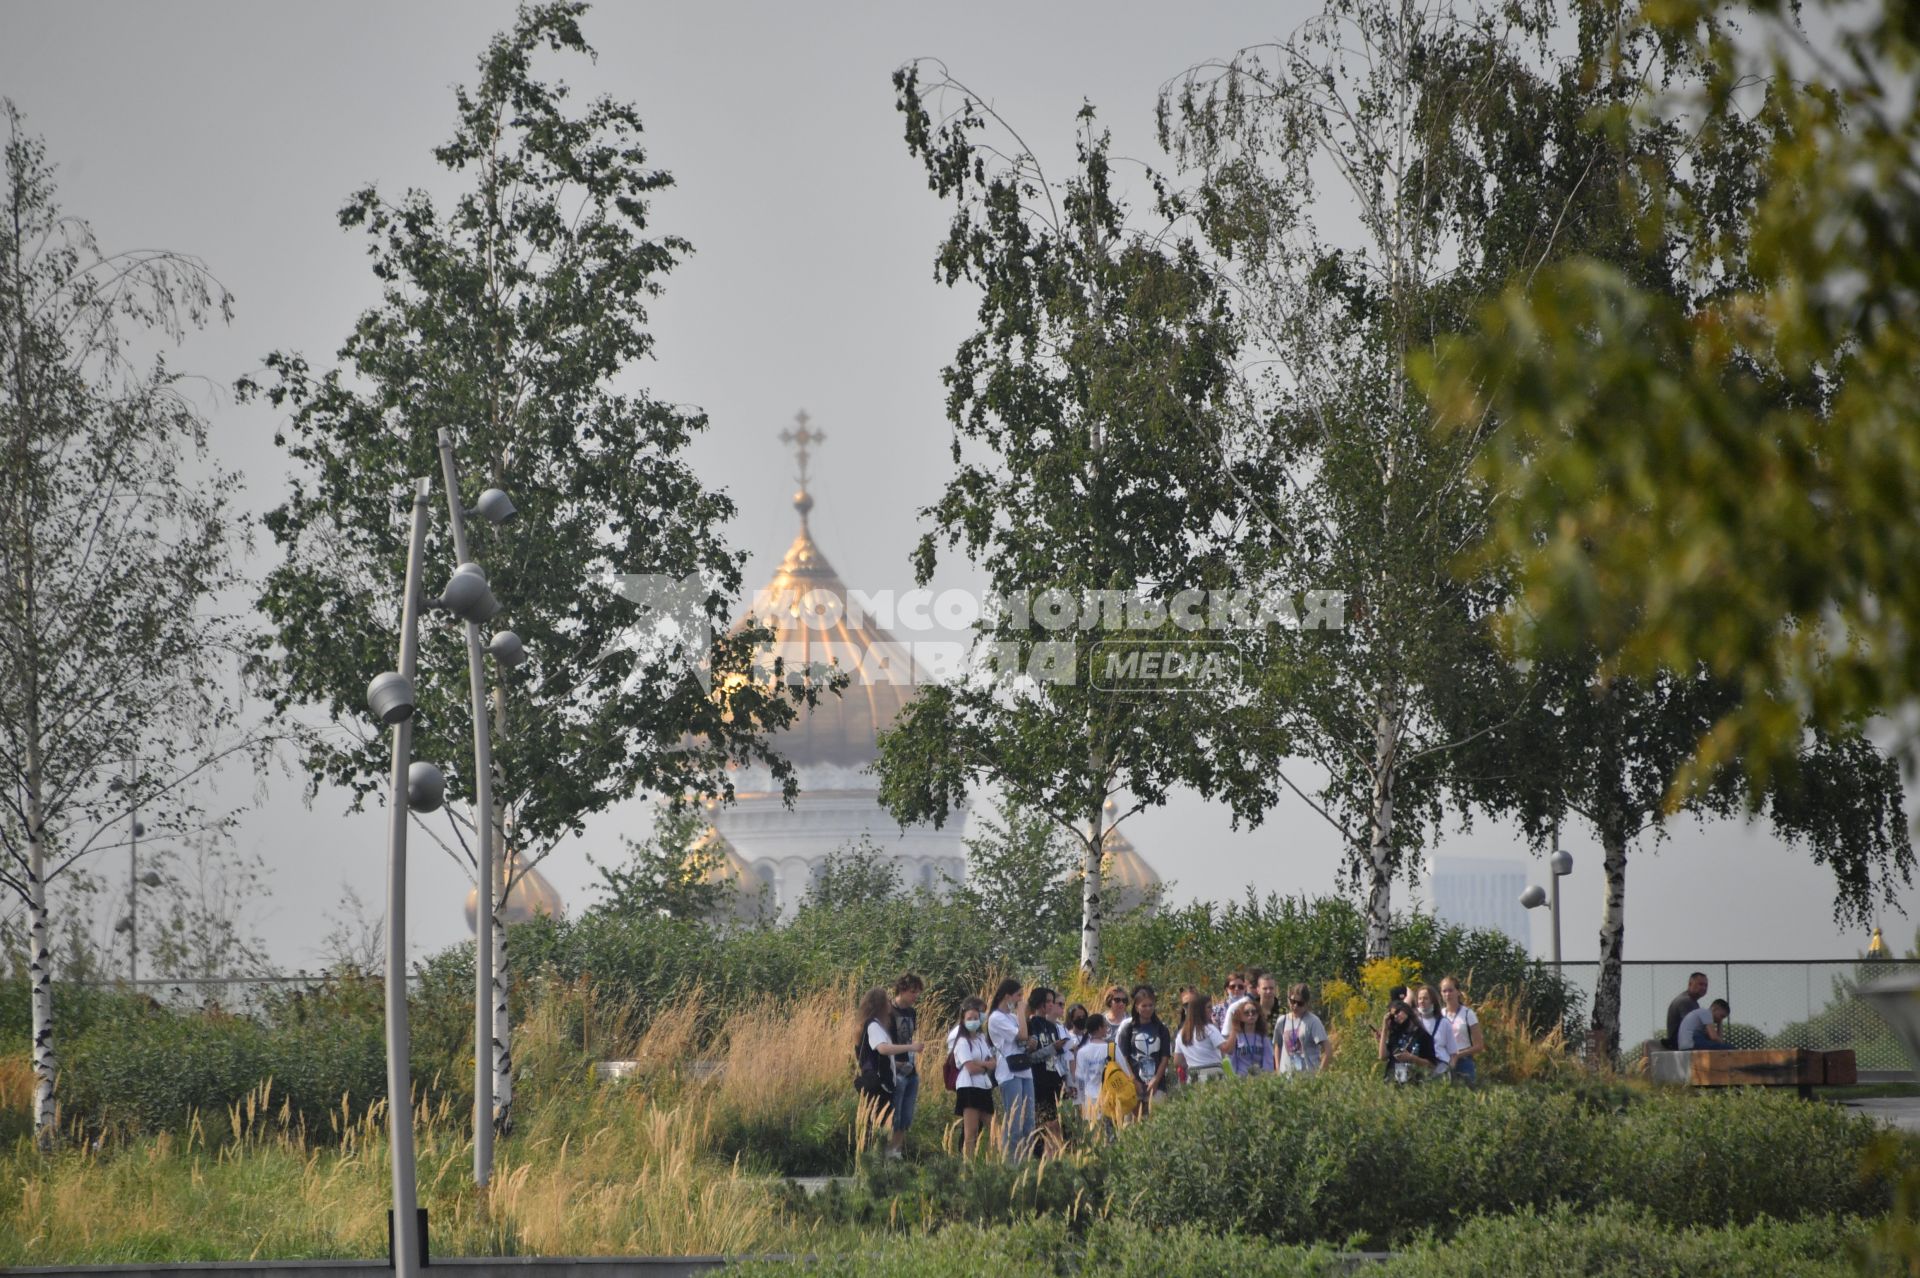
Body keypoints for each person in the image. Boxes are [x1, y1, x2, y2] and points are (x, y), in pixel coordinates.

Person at [988, 978, 1036, 1159]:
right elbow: (1022, 1034)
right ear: (1007, 996)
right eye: (1018, 995)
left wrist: (1030, 1043)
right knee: (1014, 1120)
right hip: (1009, 1072)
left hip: (1024, 1069)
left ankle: (1026, 1160)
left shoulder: (1012, 1017)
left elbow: (1024, 1039)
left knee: (1029, 1120)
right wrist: (1021, 1012)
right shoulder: (996, 1018)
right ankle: (1011, 1163)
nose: (1020, 999)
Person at [947, 995, 996, 1156]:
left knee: (993, 1126)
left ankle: (991, 1159)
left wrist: (981, 1065)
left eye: (976, 1018)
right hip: (968, 1086)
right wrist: (984, 1065)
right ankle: (967, 1164)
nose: (974, 1021)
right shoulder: (961, 1041)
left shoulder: (981, 1038)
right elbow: (970, 1067)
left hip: (983, 1085)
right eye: (970, 1018)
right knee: (971, 1130)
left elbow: (992, 1061)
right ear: (963, 1019)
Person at [884, 974, 925, 1158]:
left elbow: (907, 1037)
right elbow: (885, 1043)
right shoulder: (889, 1011)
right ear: (902, 990)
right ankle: (888, 1150)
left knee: (907, 1114)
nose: (915, 996)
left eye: (917, 992)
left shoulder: (912, 1013)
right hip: (894, 1068)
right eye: (912, 992)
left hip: (909, 1066)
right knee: (895, 1113)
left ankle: (897, 1150)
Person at [1117, 984, 1172, 1112]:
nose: (1148, 1009)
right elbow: (1123, 1058)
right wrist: (1134, 1080)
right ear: (1137, 1007)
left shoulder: (1161, 1029)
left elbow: (1165, 1057)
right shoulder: (1128, 1029)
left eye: (1151, 1005)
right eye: (1144, 1006)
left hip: (1157, 1085)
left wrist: (1156, 1080)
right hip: (1133, 1085)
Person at [1027, 987, 1068, 1157]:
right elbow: (1031, 1056)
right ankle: (1043, 1158)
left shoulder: (1052, 1026)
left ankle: (1056, 1158)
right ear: (1040, 1003)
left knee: (1055, 1123)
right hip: (1039, 1079)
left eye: (1053, 1001)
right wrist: (1053, 1048)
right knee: (1044, 1124)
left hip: (1054, 1078)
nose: (1051, 1005)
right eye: (1049, 1001)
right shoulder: (1032, 1024)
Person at [1175, 986, 1229, 1084]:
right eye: (1186, 1005)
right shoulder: (1209, 1028)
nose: (1190, 1007)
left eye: (1192, 1004)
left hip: (1193, 1076)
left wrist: (1194, 1063)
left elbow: (1177, 1061)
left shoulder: (1181, 1033)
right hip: (1213, 1073)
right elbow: (1226, 1050)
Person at [1276, 983, 1331, 1075]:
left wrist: (1319, 1075)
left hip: (1307, 1079)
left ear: (1307, 1003)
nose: (1295, 1006)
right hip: (1286, 1079)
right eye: (1293, 1001)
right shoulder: (1282, 1021)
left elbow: (1328, 1050)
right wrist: (1278, 1069)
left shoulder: (1313, 1021)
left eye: (1300, 1003)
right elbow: (1278, 1045)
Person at [1379, 998, 1437, 1083]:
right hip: (1392, 1082)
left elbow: (1431, 1065)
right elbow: (1382, 1056)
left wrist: (1412, 1058)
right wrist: (1385, 1029)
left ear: (1406, 1010)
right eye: (1393, 1016)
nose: (1396, 1016)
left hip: (1413, 1082)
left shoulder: (1423, 1035)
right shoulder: (1395, 1034)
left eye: (1398, 1012)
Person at [1438, 976, 1482, 1083]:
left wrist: (1458, 1055)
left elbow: (1479, 1046)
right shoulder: (1439, 1014)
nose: (1448, 994)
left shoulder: (1468, 1014)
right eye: (1444, 991)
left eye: (1451, 990)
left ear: (1458, 992)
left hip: (1464, 1061)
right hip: (1444, 1061)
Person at [1223, 988, 1273, 1077]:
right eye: (1246, 1013)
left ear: (1258, 1015)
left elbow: (1268, 1062)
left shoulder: (1263, 1037)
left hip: (1260, 1081)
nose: (1251, 1015)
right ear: (1240, 1016)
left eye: (1254, 1012)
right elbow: (1232, 1062)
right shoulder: (1237, 1037)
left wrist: (1266, 1079)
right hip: (1241, 1081)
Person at [1074, 1014, 1111, 1130]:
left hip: (1089, 1099)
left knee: (1093, 1136)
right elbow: (1125, 1071)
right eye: (1105, 1026)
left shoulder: (1082, 1052)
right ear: (1100, 1028)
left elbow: (1080, 1079)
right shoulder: (1112, 1048)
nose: (1106, 1028)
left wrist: (1079, 1102)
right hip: (1109, 1097)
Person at [1412, 984, 1455, 1075]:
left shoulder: (1444, 1023)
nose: (1422, 1001)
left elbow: (1453, 1052)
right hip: (1418, 1068)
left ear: (1433, 1001)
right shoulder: (1413, 1022)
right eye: (1420, 998)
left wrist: (1450, 1069)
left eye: (1425, 998)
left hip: (1440, 1068)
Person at [1666, 972, 1709, 1050]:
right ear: (1690, 984)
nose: (1704, 988)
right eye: (1700, 984)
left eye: (1706, 985)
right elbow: (1693, 1030)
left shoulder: (1692, 1001)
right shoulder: (1686, 1001)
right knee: (1727, 1048)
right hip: (1681, 1045)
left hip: (1684, 1042)